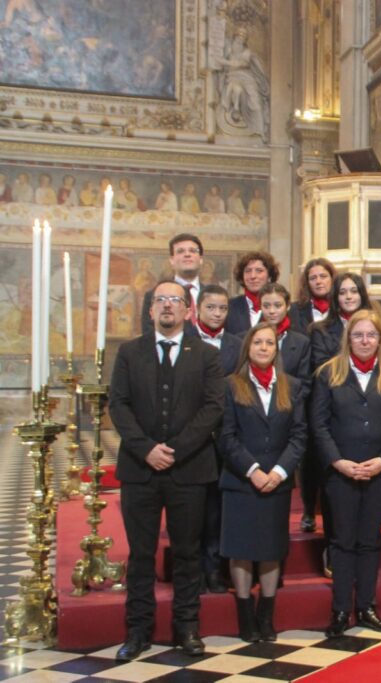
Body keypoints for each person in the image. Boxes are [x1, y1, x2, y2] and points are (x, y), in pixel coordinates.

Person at [108, 280, 224, 661]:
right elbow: (119, 406)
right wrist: (146, 450)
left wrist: (174, 450)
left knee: (188, 553)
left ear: (188, 311)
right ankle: (138, 630)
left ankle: (187, 628)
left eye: (176, 300)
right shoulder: (129, 353)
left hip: (188, 469)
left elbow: (212, 408)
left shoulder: (205, 355)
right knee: (141, 554)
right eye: (161, 300)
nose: (168, 306)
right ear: (151, 310)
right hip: (140, 471)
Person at [313, 311, 381, 636]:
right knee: (342, 542)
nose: (365, 341)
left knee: (369, 542)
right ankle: (341, 610)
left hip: (379, 472)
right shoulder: (329, 373)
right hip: (340, 472)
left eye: (371, 335)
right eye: (358, 335)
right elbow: (319, 424)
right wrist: (338, 462)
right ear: (348, 338)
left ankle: (367, 607)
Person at [219, 322, 306, 642]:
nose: (264, 348)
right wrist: (253, 469)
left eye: (270, 343)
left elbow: (299, 436)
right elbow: (226, 437)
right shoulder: (231, 385)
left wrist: (279, 472)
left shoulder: (292, 386)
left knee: (271, 550)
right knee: (241, 550)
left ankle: (265, 616)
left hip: (276, 482)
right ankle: (245, 615)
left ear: (276, 349)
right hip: (242, 480)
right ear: (248, 348)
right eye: (258, 342)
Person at [303, 272, 373, 536]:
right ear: (335, 296)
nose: (348, 296)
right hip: (334, 415)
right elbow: (322, 370)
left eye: (353, 291)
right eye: (343, 292)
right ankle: (334, 547)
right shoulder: (319, 330)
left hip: (369, 415)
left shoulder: (375, 327)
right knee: (336, 492)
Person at [194, 284, 242, 594]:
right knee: (193, 509)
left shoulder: (237, 345)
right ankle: (194, 570)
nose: (216, 313)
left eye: (222, 309)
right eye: (211, 307)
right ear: (197, 309)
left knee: (217, 510)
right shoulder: (184, 341)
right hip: (192, 436)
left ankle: (214, 570)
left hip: (224, 435)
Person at [140, 233, 205, 336]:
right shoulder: (153, 295)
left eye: (192, 251)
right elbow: (150, 336)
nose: (187, 254)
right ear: (171, 260)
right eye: (180, 251)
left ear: (201, 259)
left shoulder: (213, 294)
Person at [257, 283, 311, 399]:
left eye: (278, 306)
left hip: (290, 406)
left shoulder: (301, 342)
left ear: (287, 306)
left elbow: (305, 384)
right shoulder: (246, 339)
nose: (272, 311)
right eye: (266, 306)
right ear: (260, 307)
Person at [225, 251, 279, 336]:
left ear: (269, 276)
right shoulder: (229, 306)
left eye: (259, 271)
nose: (253, 276)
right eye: (248, 271)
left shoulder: (280, 307)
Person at [288, 258, 337, 335]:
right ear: (307, 283)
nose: (318, 281)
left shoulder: (339, 308)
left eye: (323, 276)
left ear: (332, 279)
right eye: (313, 278)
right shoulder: (295, 310)